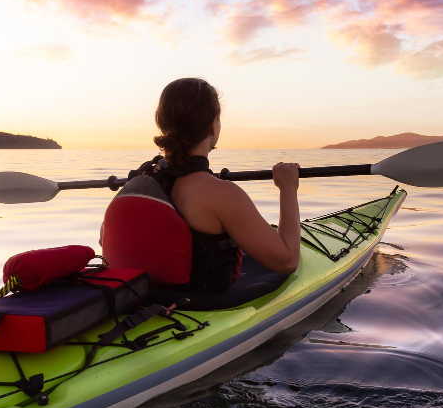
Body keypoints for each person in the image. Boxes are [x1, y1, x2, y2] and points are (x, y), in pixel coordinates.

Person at [100, 78, 301, 295]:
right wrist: (288, 188)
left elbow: (104, 239)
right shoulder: (221, 194)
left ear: (162, 123)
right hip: (198, 309)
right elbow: (288, 261)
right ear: (213, 126)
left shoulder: (137, 183)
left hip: (138, 302)